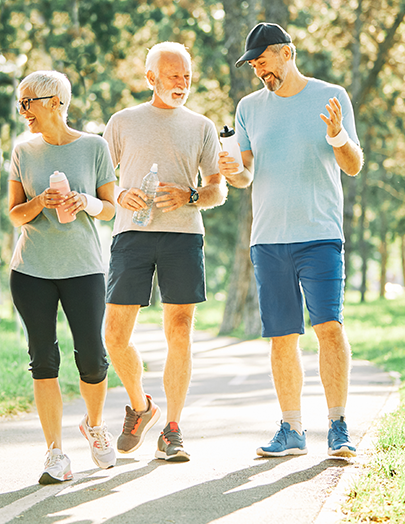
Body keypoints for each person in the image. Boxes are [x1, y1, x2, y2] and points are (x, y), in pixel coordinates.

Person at [220, 23, 364, 459]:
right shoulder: (248, 107)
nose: (259, 70)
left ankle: (338, 427)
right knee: (282, 336)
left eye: (263, 61)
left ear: (287, 53)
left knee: (329, 328)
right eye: (254, 64)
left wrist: (337, 135)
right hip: (269, 239)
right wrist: (233, 173)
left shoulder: (330, 95)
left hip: (320, 234)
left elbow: (354, 165)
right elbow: (246, 174)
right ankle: (292, 429)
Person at [102, 41, 226, 463]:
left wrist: (191, 195)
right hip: (131, 236)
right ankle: (141, 407)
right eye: (173, 75)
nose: (181, 82)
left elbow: (216, 188)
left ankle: (172, 429)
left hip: (183, 236)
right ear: (150, 77)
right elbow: (102, 183)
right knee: (115, 336)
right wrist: (122, 194)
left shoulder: (201, 126)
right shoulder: (122, 122)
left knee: (180, 329)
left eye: (187, 76)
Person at [7, 70, 120, 484]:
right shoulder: (24, 151)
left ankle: (94, 425)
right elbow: (15, 213)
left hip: (84, 267)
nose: (23, 112)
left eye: (28, 103)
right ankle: (55, 452)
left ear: (55, 102)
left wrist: (84, 200)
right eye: (21, 104)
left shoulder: (94, 146)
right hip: (32, 269)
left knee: (92, 357)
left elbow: (111, 208)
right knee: (44, 359)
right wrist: (39, 201)